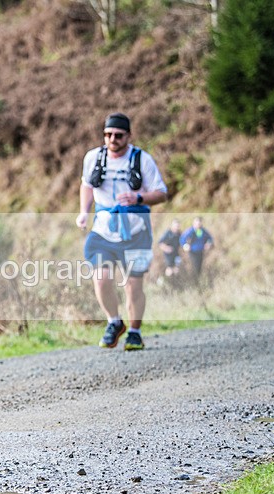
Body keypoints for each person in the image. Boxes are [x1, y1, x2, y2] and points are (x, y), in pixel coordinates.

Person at [76, 112, 168, 351]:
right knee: (101, 278)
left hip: (135, 231)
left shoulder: (142, 160)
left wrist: (139, 197)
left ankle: (135, 332)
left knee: (133, 285)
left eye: (118, 135)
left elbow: (161, 193)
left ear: (128, 136)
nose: (112, 139)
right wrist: (84, 212)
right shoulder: (93, 158)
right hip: (103, 230)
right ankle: (114, 322)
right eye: (108, 134)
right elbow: (86, 185)